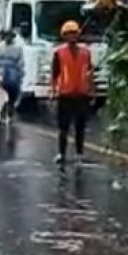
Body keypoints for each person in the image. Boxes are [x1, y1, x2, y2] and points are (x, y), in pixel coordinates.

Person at [51, 20, 94, 167]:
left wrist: (92, 89)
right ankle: (61, 153)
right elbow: (55, 74)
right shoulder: (59, 53)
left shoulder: (85, 53)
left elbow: (89, 72)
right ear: (64, 36)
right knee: (63, 126)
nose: (72, 36)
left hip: (81, 94)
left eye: (74, 33)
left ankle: (79, 153)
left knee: (80, 126)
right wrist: (53, 91)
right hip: (65, 94)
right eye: (69, 34)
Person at [0, 29, 24, 127]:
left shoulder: (18, 48)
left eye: (10, 36)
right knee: (1, 96)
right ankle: (1, 116)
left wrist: (20, 75)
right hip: (1, 74)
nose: (8, 38)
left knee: (12, 96)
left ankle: (10, 115)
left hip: (13, 75)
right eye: (7, 36)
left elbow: (20, 63)